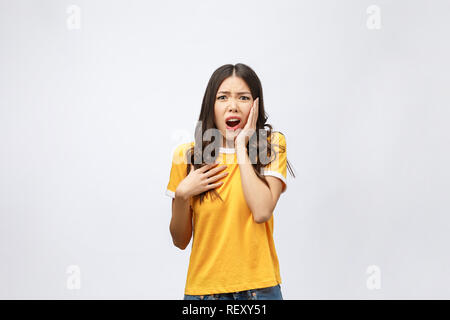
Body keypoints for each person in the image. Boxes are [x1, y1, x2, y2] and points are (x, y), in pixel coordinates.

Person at [165, 63, 295, 300]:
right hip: (204, 294)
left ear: (255, 105)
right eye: (223, 97)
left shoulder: (270, 146)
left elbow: (262, 211)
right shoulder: (186, 156)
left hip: (259, 291)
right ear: (211, 105)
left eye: (243, 98)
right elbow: (180, 240)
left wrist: (240, 148)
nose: (232, 106)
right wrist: (183, 194)